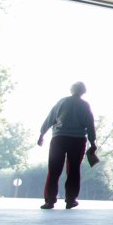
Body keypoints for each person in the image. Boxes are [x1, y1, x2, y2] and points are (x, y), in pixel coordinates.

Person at [37, 81, 96, 210]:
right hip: (78, 140)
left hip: (59, 138)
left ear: (71, 90)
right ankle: (71, 200)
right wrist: (93, 142)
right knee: (74, 170)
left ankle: (50, 201)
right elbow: (90, 125)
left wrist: (42, 134)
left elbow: (50, 118)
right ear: (83, 91)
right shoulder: (85, 105)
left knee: (54, 170)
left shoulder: (62, 102)